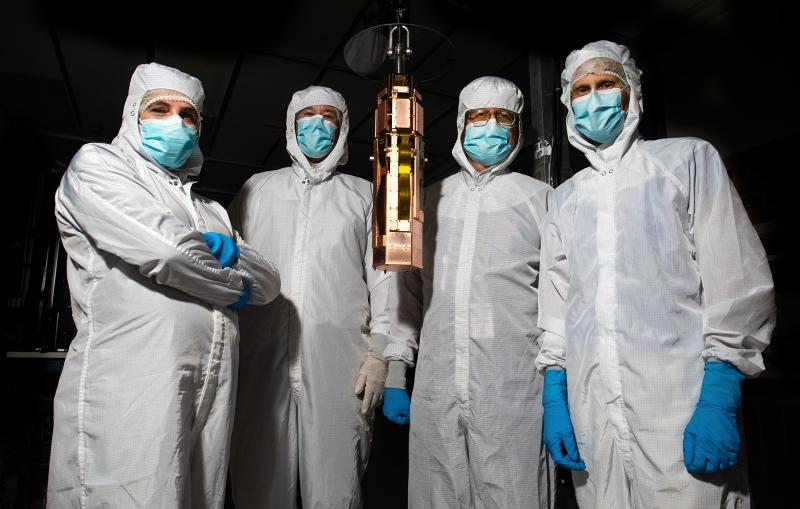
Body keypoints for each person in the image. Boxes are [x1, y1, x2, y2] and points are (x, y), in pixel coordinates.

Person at [535, 40, 776, 508]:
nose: (594, 97)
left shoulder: (685, 162)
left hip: (679, 407)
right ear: (567, 103)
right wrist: (554, 393)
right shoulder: (564, 199)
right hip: (593, 416)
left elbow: (737, 280)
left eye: (607, 84)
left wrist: (720, 392)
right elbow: (558, 305)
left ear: (632, 93)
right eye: (581, 89)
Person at [47, 62, 281, 508]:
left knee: (195, 496)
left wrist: (224, 248)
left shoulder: (209, 208)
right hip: (133, 379)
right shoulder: (99, 165)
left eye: (188, 114)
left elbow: (269, 282)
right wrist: (235, 290)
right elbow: (167, 252)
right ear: (134, 114)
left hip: (211, 381)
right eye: (160, 109)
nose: (177, 122)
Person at [383, 76, 554, 508]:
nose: (490, 126)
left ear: (518, 129)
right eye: (479, 115)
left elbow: (561, 299)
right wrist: (396, 371)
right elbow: (406, 295)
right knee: (436, 493)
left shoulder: (545, 201)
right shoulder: (427, 200)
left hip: (513, 388)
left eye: (503, 117)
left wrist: (559, 382)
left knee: (515, 495)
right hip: (436, 385)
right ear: (461, 123)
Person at [227, 85, 390, 508]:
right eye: (307, 115)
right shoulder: (256, 190)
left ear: (343, 128)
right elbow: (226, 277)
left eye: (329, 116)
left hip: (341, 367)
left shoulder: (364, 195)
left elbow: (386, 279)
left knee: (336, 491)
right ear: (291, 123)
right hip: (260, 367)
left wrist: (382, 355)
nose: (317, 124)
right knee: (258, 489)